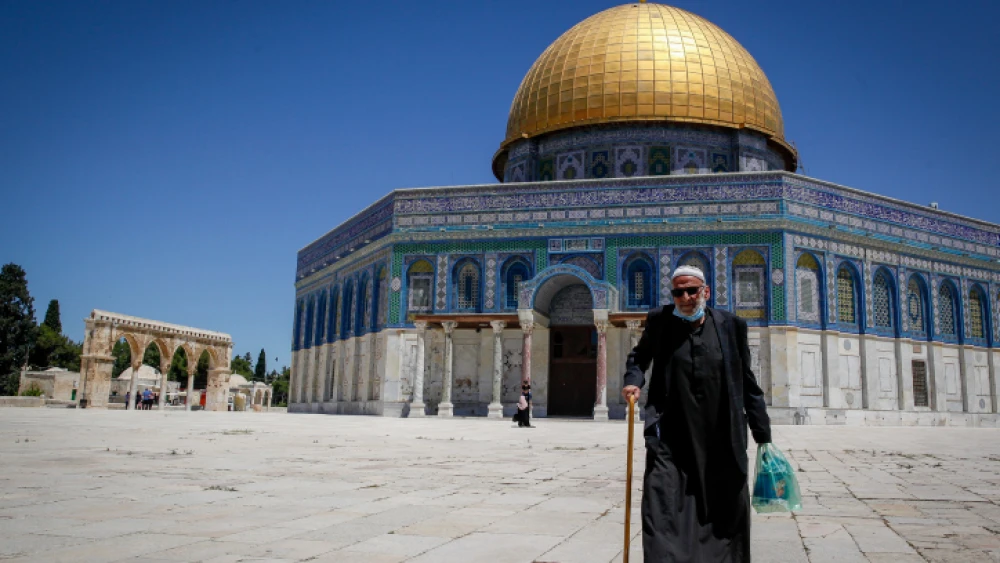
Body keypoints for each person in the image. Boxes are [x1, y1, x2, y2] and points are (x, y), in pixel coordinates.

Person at [622, 265, 771, 562]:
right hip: (671, 436)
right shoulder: (660, 321)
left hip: (721, 435)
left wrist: (763, 435)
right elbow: (639, 357)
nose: (686, 297)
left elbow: (747, 382)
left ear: (706, 291)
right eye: (678, 292)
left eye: (692, 290)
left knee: (724, 508)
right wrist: (632, 381)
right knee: (661, 499)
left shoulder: (731, 326)